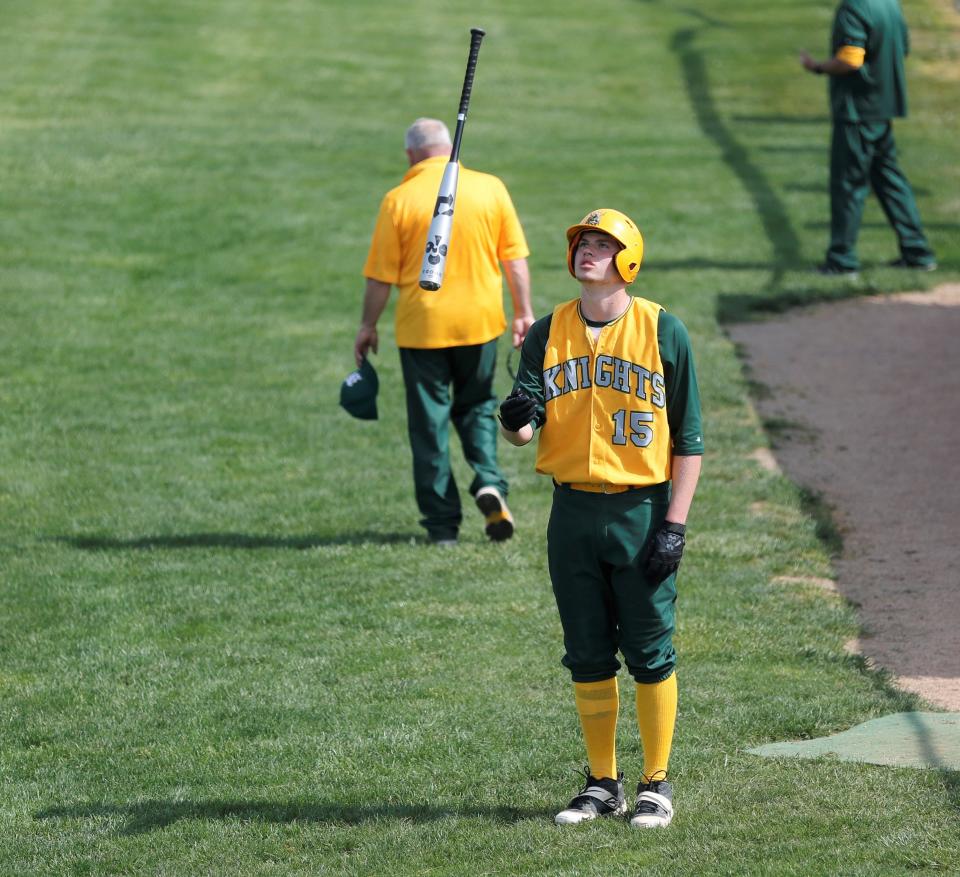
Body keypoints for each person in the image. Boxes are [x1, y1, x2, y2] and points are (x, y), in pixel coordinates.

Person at [498, 209, 703, 829]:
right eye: (584, 243)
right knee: (586, 651)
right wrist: (511, 417)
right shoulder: (548, 332)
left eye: (603, 245)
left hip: (641, 510)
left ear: (628, 260)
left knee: (648, 649)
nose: (589, 252)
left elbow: (688, 439)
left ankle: (656, 783)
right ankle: (601, 782)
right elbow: (523, 429)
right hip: (572, 510)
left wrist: (675, 523)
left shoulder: (665, 331)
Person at [355, 118, 534, 545]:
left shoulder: (398, 200)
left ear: (410, 156)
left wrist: (367, 325)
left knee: (429, 424)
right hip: (480, 324)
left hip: (423, 330)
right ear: (450, 146)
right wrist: (523, 313)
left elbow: (380, 278)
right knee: (477, 406)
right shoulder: (491, 188)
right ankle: (490, 480)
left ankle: (441, 526)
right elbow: (515, 259)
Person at [800, 0, 936, 275]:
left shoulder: (854, 8)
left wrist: (818, 67)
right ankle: (917, 252)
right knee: (890, 182)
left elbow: (851, 58)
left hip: (857, 113)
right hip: (882, 108)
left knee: (849, 185)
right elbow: (904, 48)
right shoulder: (890, 4)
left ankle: (842, 260)